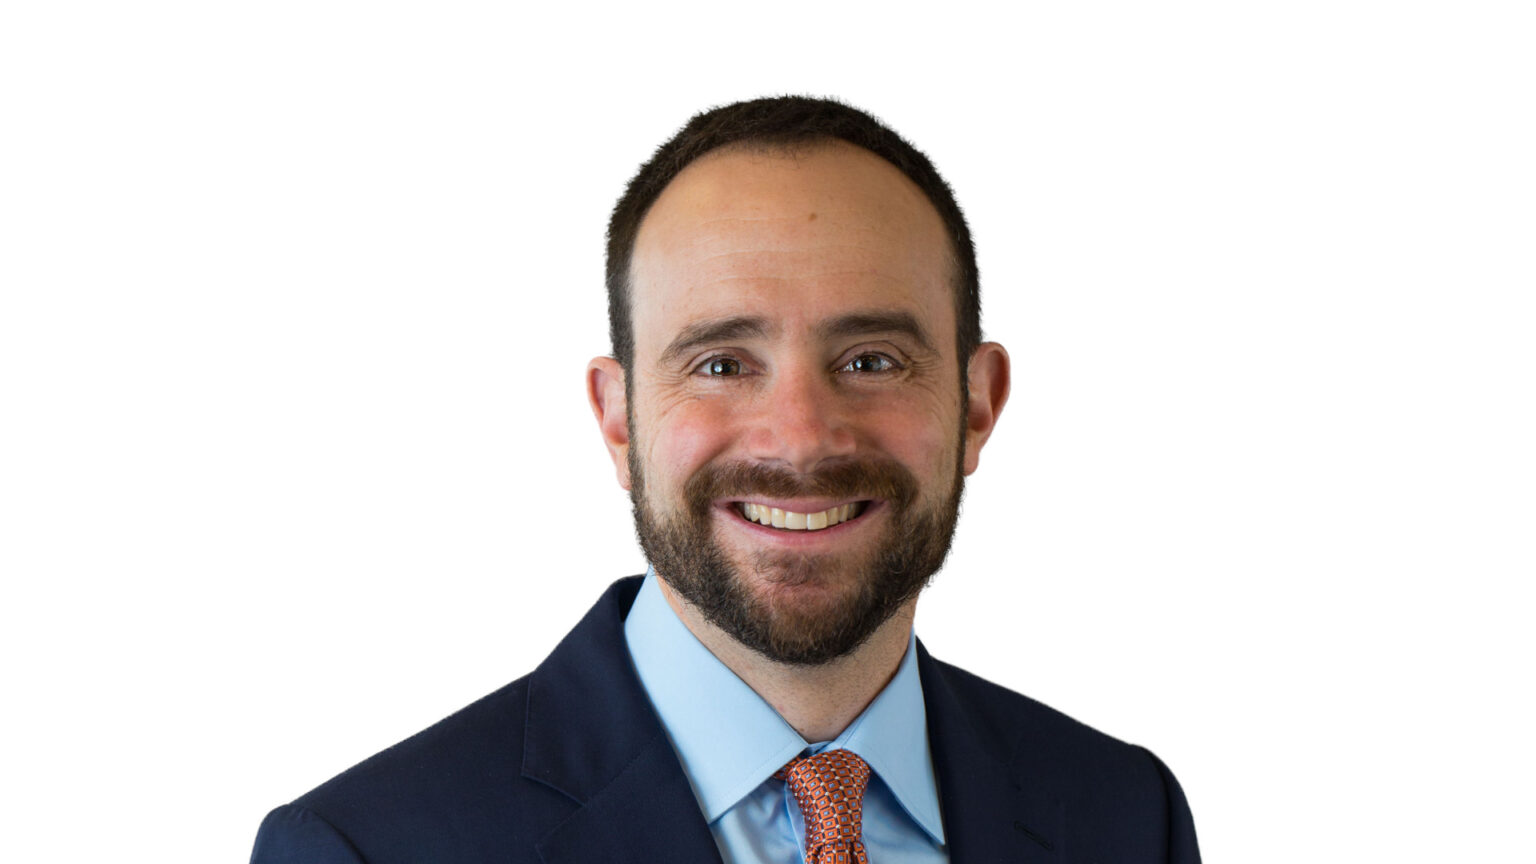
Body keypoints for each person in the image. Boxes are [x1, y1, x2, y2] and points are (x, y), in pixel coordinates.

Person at [250, 96, 1201, 864]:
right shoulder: (367, 847)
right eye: (721, 364)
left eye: (871, 360)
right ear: (619, 419)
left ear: (978, 405)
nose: (802, 438)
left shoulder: (1125, 817)